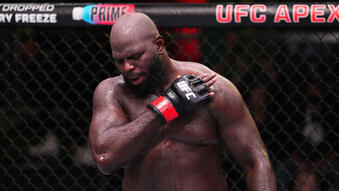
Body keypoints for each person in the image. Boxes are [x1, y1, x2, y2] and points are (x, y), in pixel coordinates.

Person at [89, 12, 276, 191]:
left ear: (159, 44)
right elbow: (106, 158)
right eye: (119, 61)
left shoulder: (212, 86)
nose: (128, 67)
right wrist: (166, 106)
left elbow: (255, 160)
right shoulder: (113, 92)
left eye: (135, 57)